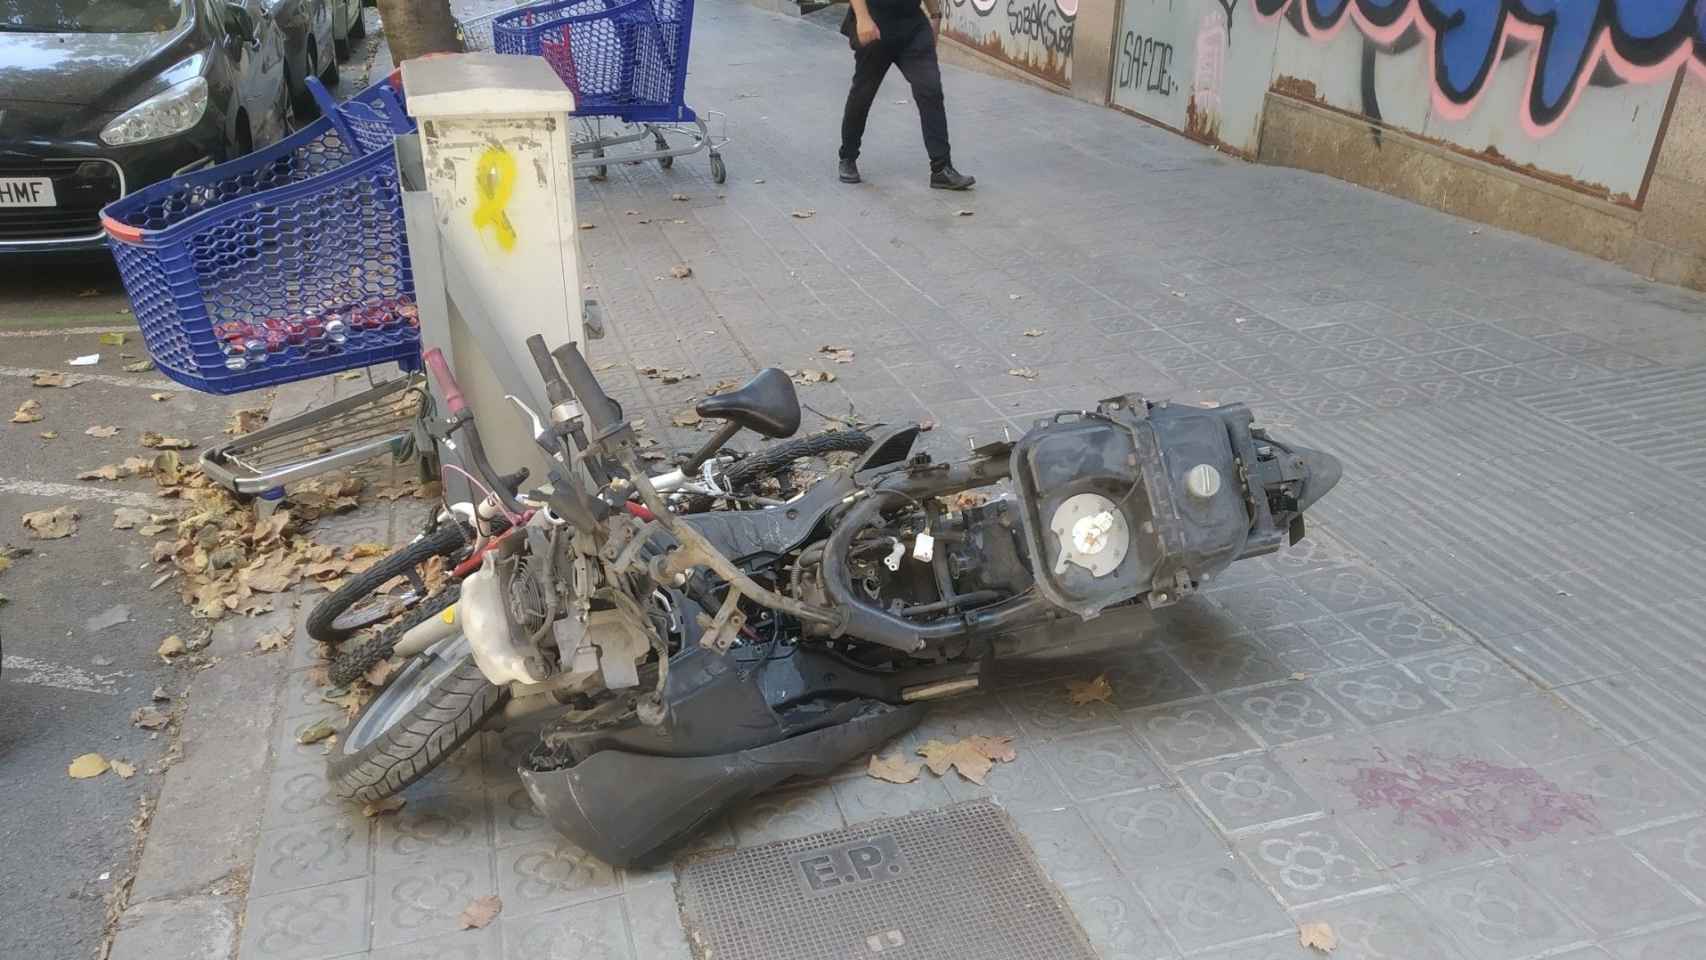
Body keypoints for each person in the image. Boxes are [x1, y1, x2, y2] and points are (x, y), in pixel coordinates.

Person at [837, 0, 974, 189]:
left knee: (930, 90)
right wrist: (862, 18)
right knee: (863, 93)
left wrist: (935, 15)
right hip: (875, 21)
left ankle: (942, 168)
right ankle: (848, 157)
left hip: (912, 25)